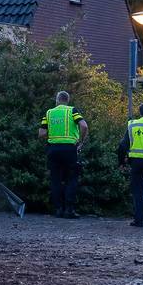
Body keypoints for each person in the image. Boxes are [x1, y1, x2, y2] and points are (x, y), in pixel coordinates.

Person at [39, 91, 88, 219]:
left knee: (55, 180)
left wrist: (53, 135)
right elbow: (84, 126)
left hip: (53, 150)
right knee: (71, 179)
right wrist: (81, 142)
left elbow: (41, 134)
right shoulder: (72, 111)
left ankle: (58, 209)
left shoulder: (49, 113)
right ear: (67, 100)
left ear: (57, 100)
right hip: (69, 149)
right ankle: (69, 210)